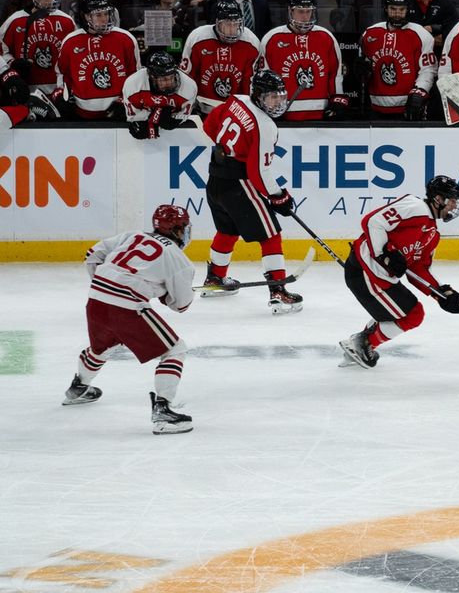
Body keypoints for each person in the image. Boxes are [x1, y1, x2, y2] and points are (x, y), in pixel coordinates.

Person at [61, 204, 197, 434]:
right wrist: (164, 295)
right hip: (127, 306)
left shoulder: (132, 236)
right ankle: (163, 411)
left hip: (96, 299)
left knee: (102, 346)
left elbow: (92, 255)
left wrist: (107, 284)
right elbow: (181, 305)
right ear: (176, 230)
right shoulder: (178, 259)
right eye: (184, 227)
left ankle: (78, 387)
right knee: (175, 350)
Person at [199, 69, 304, 313]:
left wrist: (227, 148)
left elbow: (209, 125)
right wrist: (279, 197)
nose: (277, 103)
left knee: (227, 230)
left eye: (280, 97)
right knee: (270, 235)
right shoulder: (265, 125)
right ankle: (278, 290)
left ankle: (215, 278)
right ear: (257, 96)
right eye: (271, 98)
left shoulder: (237, 100)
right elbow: (259, 172)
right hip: (239, 184)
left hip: (216, 179)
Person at [338, 176, 459, 369]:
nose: (454, 205)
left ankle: (361, 342)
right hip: (365, 270)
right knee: (412, 314)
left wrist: (442, 293)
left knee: (410, 312)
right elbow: (372, 221)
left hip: (379, 276)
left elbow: (418, 269)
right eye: (452, 200)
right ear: (438, 199)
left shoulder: (432, 233)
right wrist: (384, 255)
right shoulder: (415, 207)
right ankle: (363, 343)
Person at [259, 0, 348, 121]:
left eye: (309, 12)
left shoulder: (326, 37)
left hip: (321, 116)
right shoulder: (272, 39)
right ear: (290, 11)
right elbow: (262, 78)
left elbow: (335, 74)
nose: (305, 16)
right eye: (300, 11)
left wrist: (337, 99)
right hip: (284, 117)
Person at [56, 0, 141, 119]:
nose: (104, 19)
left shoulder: (126, 39)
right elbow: (63, 73)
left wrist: (125, 102)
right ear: (86, 16)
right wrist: (62, 95)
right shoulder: (71, 41)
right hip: (81, 115)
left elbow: (135, 75)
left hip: (118, 114)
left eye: (106, 14)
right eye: (98, 15)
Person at [360, 0, 436, 119]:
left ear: (408, 9)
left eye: (402, 9)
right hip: (375, 108)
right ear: (386, 8)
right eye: (393, 9)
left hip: (408, 108)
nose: (397, 14)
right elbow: (363, 69)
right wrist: (362, 71)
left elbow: (428, 69)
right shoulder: (370, 33)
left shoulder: (421, 34)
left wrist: (420, 91)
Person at [181, 0, 261, 115]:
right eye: (228, 24)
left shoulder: (251, 42)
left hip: (236, 111)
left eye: (236, 24)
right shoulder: (197, 38)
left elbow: (249, 82)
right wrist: (187, 108)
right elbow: (188, 76)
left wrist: (248, 110)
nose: (232, 30)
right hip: (201, 109)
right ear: (217, 22)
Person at [0, 0, 75, 96]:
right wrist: (12, 63)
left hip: (59, 89)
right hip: (26, 89)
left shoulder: (66, 20)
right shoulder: (15, 21)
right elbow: (2, 51)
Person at [122, 50, 198, 139]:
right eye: (164, 79)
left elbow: (183, 115)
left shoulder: (189, 86)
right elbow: (133, 117)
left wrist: (172, 120)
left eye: (171, 77)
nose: (169, 82)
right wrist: (154, 116)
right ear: (152, 77)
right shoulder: (133, 85)